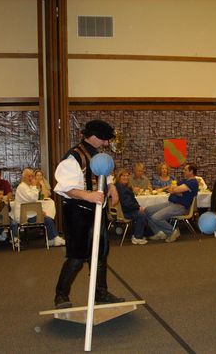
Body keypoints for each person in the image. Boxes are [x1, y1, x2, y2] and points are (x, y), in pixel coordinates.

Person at [53, 119, 124, 309]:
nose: (107, 143)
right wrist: (88, 196)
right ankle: (61, 296)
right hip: (77, 212)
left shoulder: (97, 155)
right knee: (77, 256)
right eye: (104, 139)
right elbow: (64, 188)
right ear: (93, 137)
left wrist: (112, 187)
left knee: (100, 254)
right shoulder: (74, 157)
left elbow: (103, 174)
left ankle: (100, 293)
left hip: (96, 211)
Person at [145, 163, 199, 243]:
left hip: (181, 207)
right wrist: (177, 191)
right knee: (147, 210)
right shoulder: (184, 181)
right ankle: (160, 233)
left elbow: (174, 190)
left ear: (191, 172)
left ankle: (172, 232)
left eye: (185, 170)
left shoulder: (193, 182)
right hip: (171, 203)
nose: (183, 171)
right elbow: (171, 188)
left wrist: (175, 190)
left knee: (156, 217)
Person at [12, 168, 65, 247]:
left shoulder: (26, 186)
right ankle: (54, 239)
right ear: (24, 177)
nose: (31, 178)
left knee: (47, 218)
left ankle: (52, 239)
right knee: (47, 219)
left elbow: (31, 203)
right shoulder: (22, 187)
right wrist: (34, 186)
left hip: (29, 214)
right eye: (29, 176)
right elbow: (33, 198)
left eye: (32, 176)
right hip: (23, 216)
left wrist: (39, 211)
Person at [115, 169, 148, 245]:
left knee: (143, 211)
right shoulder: (122, 188)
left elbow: (131, 200)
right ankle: (137, 237)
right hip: (124, 212)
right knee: (141, 214)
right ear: (119, 177)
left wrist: (138, 206)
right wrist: (138, 207)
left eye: (127, 176)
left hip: (121, 211)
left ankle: (139, 234)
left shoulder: (119, 186)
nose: (126, 177)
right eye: (123, 175)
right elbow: (127, 204)